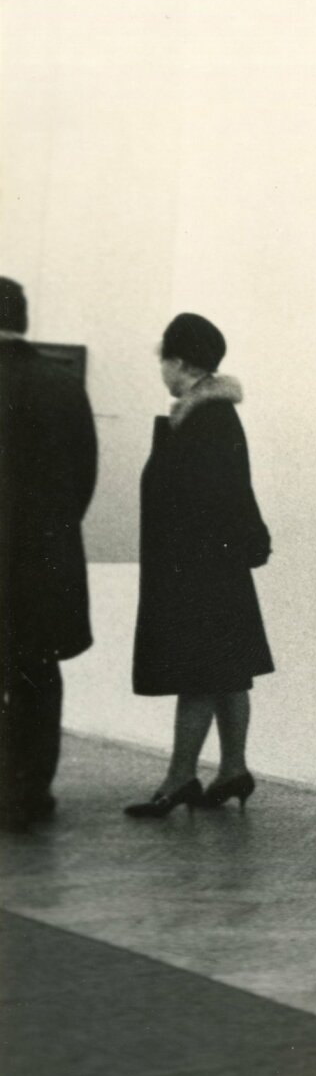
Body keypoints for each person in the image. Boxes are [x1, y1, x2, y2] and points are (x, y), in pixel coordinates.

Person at [126, 313, 273, 818]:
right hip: (217, 568)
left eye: (163, 360)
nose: (161, 370)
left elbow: (209, 500)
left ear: (180, 362)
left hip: (198, 570)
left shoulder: (205, 419)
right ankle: (232, 770)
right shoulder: (210, 415)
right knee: (228, 673)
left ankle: (180, 778)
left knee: (199, 674)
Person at [0, 277, 98, 833]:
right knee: (37, 675)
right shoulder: (63, 385)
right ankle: (29, 792)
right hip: (43, 564)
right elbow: (83, 478)